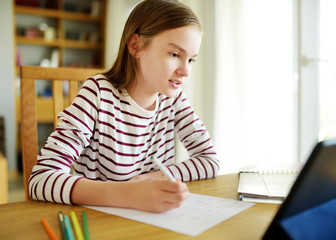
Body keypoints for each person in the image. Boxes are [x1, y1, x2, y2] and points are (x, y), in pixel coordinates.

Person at [29, 0, 219, 213]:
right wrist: (129, 193)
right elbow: (41, 179)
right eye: (175, 55)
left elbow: (209, 160)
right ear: (136, 46)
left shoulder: (174, 100)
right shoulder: (98, 93)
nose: (186, 71)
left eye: (191, 60)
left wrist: (150, 179)